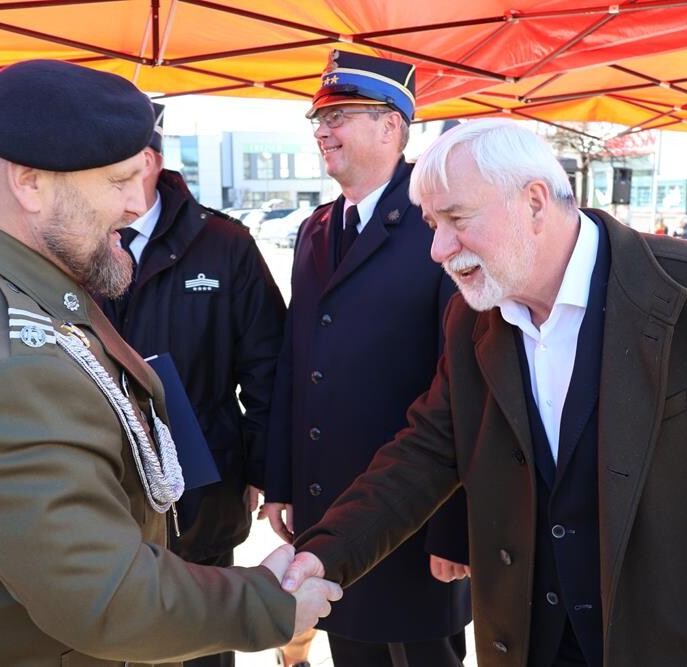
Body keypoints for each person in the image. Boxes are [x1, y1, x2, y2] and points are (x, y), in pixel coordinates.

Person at [282, 119, 687, 667]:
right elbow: (423, 453)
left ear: (533, 202)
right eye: (433, 224)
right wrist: (324, 554)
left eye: (457, 218)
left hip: (679, 640)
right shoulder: (471, 317)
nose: (438, 248)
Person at [0, 59, 341, 666]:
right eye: (117, 181)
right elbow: (107, 599)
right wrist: (269, 604)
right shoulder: (13, 369)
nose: (134, 203)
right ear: (31, 183)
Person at [262, 50, 472, 667]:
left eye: (342, 115)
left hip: (413, 520)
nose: (324, 131)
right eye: (318, 119)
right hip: (330, 508)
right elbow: (295, 365)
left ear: (392, 126)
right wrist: (282, 482)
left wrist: (454, 525)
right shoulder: (317, 228)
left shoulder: (438, 221)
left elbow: (462, 382)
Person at [100, 103, 287, 667]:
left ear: (148, 161)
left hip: (202, 495)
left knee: (202, 644)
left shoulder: (225, 245)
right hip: (100, 488)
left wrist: (262, 471)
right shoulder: (71, 242)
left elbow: (266, 367)